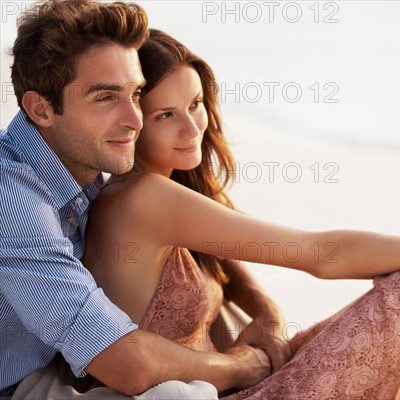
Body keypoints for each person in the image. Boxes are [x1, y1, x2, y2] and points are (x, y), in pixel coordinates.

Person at [78, 28, 400, 399]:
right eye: (166, 115)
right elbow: (322, 253)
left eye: (197, 104)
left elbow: (230, 272)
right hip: (228, 391)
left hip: (241, 382)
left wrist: (265, 313)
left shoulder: (154, 193)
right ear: (135, 120)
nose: (192, 128)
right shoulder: (145, 198)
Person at [0, 1, 271, 398]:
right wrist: (241, 366)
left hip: (45, 368)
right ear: (41, 109)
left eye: (136, 94)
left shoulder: (78, 163)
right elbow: (129, 365)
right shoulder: (15, 200)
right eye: (106, 97)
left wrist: (264, 306)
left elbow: (213, 247)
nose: (135, 118)